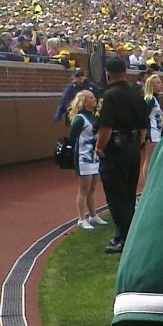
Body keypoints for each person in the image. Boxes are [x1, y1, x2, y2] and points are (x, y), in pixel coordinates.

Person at [94, 57, 148, 255]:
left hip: (115, 149)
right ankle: (124, 233)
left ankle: (125, 237)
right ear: (125, 72)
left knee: (117, 196)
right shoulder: (136, 94)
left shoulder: (107, 96)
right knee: (129, 192)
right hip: (133, 148)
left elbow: (105, 126)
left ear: (108, 75)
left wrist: (99, 147)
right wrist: (138, 142)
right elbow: (143, 125)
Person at [67, 89, 107, 230]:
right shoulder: (80, 119)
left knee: (93, 188)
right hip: (83, 158)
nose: (94, 99)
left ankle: (93, 215)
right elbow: (72, 138)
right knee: (84, 189)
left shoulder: (94, 116)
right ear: (84, 102)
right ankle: (81, 218)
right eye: (91, 98)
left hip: (94, 157)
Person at [141, 73, 163, 187]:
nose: (161, 85)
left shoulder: (156, 98)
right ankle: (147, 183)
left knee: (155, 158)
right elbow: (144, 116)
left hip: (157, 131)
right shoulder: (149, 99)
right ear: (152, 85)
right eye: (158, 83)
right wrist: (145, 134)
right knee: (149, 159)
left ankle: (153, 180)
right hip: (152, 132)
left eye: (160, 82)